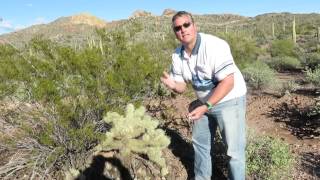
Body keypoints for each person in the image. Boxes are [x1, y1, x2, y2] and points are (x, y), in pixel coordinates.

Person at [160, 11, 247, 180]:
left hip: (229, 99)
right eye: (178, 28)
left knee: (234, 151)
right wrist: (173, 85)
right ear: (175, 33)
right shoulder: (177, 55)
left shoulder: (215, 46)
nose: (183, 30)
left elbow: (228, 82)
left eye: (186, 25)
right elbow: (182, 86)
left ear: (195, 26)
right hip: (203, 104)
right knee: (200, 145)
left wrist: (206, 106)